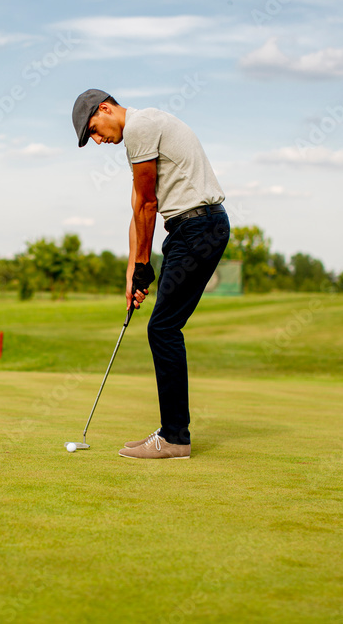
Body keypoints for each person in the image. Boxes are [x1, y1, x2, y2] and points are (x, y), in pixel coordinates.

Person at [71, 89, 229, 459]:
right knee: (164, 326)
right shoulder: (143, 132)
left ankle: (175, 438)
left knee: (162, 328)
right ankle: (172, 431)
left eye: (94, 130)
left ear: (106, 108)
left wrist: (145, 265)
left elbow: (148, 204)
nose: (98, 140)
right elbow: (136, 207)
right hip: (190, 229)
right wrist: (133, 271)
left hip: (198, 227)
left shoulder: (140, 127)